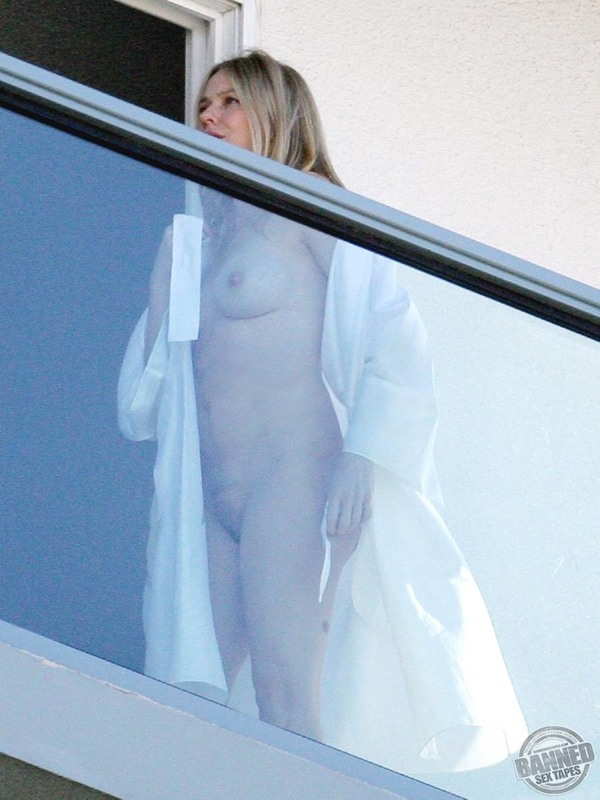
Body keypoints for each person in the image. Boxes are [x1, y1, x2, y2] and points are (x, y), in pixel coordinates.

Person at [119, 50, 527, 771]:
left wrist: (364, 454)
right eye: (204, 105)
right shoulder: (199, 238)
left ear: (274, 111)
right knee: (186, 698)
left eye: (229, 101)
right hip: (211, 499)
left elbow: (393, 332)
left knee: (285, 691)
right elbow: (142, 406)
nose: (209, 116)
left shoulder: (308, 207)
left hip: (292, 477)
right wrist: (166, 276)